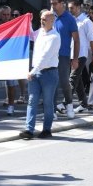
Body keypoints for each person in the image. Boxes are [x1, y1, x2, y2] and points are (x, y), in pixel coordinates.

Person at [18, 10, 61, 140]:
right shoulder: (40, 33)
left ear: (52, 21)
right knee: (32, 100)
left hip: (49, 73)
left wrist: (32, 71)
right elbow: (30, 34)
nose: (42, 21)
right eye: (41, 18)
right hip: (36, 73)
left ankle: (46, 129)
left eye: (44, 19)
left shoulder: (55, 37)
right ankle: (29, 129)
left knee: (48, 103)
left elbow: (45, 57)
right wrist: (28, 21)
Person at [51, 0, 80, 119]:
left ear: (62, 3)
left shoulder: (70, 19)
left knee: (64, 82)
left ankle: (69, 104)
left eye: (55, 3)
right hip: (51, 55)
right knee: (51, 83)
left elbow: (76, 40)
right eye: (52, 3)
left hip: (63, 55)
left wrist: (75, 58)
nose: (53, 6)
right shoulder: (50, 17)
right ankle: (51, 110)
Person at [67, 0, 93, 114]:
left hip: (81, 54)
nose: (70, 10)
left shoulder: (86, 21)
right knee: (77, 79)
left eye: (72, 8)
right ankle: (84, 103)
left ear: (78, 7)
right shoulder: (72, 20)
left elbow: (91, 39)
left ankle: (65, 103)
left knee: (72, 79)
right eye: (69, 8)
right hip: (71, 53)